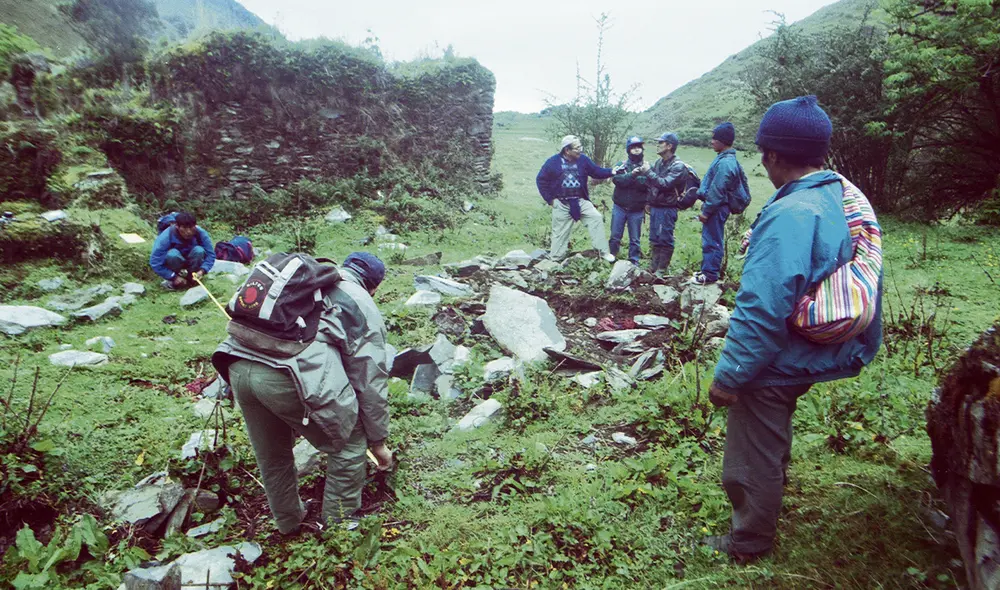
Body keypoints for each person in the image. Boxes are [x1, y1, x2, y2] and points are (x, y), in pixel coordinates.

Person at [704, 96, 883, 563]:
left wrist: (730, 377)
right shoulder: (835, 194)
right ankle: (771, 494)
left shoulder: (790, 214)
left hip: (777, 358)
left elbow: (761, 309)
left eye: (764, 153)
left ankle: (749, 542)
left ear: (774, 155)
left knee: (752, 454)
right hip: (810, 351)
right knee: (773, 435)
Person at [211, 252, 394, 534]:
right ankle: (339, 525)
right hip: (282, 377)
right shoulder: (360, 299)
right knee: (349, 442)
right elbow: (369, 376)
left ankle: (288, 521)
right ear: (375, 286)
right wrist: (378, 441)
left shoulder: (310, 280)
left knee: (272, 454)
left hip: (236, 364)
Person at [536, 135, 616, 263]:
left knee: (596, 217)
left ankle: (603, 252)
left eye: (580, 147)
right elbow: (541, 180)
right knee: (559, 234)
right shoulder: (552, 162)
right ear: (567, 150)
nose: (580, 150)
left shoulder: (583, 160)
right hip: (561, 203)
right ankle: (555, 260)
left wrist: (612, 171)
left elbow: (596, 171)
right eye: (577, 148)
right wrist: (551, 200)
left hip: (580, 200)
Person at [693, 122, 749, 285]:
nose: (711, 141)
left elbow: (718, 190)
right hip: (717, 207)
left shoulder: (725, 163)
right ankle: (708, 270)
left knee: (712, 240)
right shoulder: (726, 159)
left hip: (717, 208)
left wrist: (706, 211)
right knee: (712, 238)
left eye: (714, 138)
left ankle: (709, 275)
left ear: (722, 141)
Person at [644, 132, 689, 277]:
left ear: (669, 146)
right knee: (654, 237)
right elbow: (653, 185)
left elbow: (665, 184)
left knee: (665, 238)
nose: (657, 145)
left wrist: (648, 172)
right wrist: (648, 202)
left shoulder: (678, 166)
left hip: (668, 207)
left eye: (661, 142)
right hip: (656, 206)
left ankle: (662, 269)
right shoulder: (659, 163)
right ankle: (654, 267)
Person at [608, 136, 649, 265]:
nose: (637, 150)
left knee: (635, 238)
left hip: (637, 209)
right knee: (615, 235)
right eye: (633, 147)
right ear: (628, 149)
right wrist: (632, 175)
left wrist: (632, 179)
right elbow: (617, 180)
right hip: (619, 206)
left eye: (639, 147)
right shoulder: (621, 165)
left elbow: (648, 184)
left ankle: (634, 261)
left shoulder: (647, 166)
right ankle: (612, 257)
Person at [149, 211, 215, 289]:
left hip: (192, 260)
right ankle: (176, 280)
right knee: (172, 254)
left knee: (199, 250)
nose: (189, 232)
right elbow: (155, 262)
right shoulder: (166, 236)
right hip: (175, 263)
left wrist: (202, 270)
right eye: (184, 228)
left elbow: (211, 255)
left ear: (195, 226)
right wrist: (173, 277)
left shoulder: (201, 233)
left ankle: (192, 278)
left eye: (191, 227)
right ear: (177, 226)